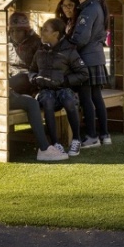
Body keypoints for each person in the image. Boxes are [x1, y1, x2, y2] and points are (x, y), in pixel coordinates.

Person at [6, 13, 67, 162]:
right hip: (11, 84)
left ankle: (45, 148)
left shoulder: (36, 43)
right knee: (17, 82)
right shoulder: (6, 43)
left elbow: (40, 67)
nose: (14, 34)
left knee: (23, 77)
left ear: (26, 31)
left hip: (30, 81)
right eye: (12, 30)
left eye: (18, 31)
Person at [30, 18, 89, 157]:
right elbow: (32, 70)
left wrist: (65, 81)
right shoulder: (40, 50)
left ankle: (76, 139)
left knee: (69, 100)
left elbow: (83, 73)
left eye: (45, 30)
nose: (42, 32)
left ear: (55, 34)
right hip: (46, 91)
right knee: (48, 101)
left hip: (64, 89)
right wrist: (33, 78)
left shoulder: (69, 51)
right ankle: (55, 143)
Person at [69, 0, 112, 148]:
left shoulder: (88, 10)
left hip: (87, 59)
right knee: (96, 97)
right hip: (97, 58)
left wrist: (69, 49)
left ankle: (92, 136)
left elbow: (82, 38)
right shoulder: (98, 7)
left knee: (86, 98)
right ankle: (105, 135)